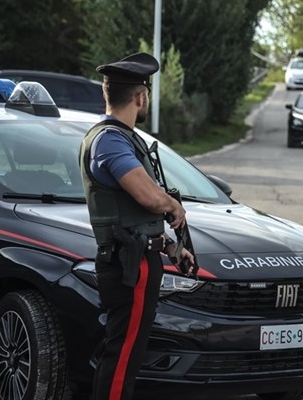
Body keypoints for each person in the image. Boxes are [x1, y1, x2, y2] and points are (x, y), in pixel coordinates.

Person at [79, 52, 195, 400]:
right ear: (141, 97)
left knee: (125, 352)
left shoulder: (122, 138)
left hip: (137, 258)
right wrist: (172, 205)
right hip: (130, 265)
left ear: (106, 94)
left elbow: (138, 215)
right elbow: (147, 196)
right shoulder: (111, 139)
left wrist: (174, 247)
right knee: (123, 353)